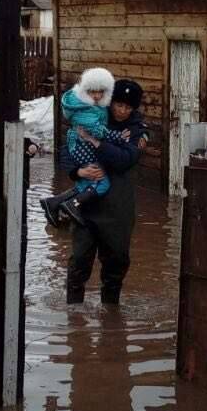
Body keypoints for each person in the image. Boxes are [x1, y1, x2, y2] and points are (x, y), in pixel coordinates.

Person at [59, 78, 148, 305]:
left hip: (118, 207)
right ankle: (74, 316)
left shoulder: (136, 130)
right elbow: (68, 150)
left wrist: (97, 143)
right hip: (86, 205)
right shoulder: (94, 115)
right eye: (118, 104)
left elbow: (124, 160)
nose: (122, 111)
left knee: (116, 261)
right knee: (79, 260)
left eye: (128, 107)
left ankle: (111, 312)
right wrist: (78, 171)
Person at [39, 68, 132, 226]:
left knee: (85, 183)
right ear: (85, 91)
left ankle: (52, 203)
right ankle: (72, 205)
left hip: (83, 147)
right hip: (83, 148)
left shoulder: (92, 105)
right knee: (103, 183)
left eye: (100, 92)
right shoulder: (85, 108)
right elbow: (97, 130)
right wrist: (118, 136)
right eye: (92, 92)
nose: (96, 96)